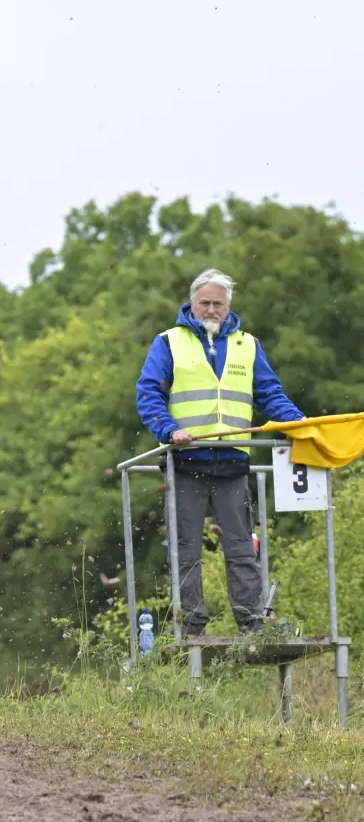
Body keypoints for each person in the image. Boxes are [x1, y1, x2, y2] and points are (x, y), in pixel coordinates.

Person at [135, 268, 304, 635]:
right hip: (185, 462)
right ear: (192, 304)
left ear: (229, 307)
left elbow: (270, 395)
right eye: (205, 303)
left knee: (243, 548)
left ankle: (253, 623)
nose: (212, 310)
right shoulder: (168, 342)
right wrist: (169, 430)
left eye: (219, 304)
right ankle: (191, 628)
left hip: (233, 465)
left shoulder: (248, 344)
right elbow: (149, 395)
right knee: (185, 549)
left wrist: (300, 425)